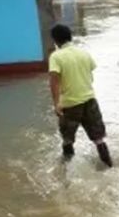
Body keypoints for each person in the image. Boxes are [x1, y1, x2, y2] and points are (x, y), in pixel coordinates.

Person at [48, 24, 112, 167]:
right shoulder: (84, 53)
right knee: (99, 138)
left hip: (70, 104)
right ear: (70, 36)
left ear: (55, 40)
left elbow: (54, 82)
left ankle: (66, 174)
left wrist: (56, 103)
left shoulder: (56, 56)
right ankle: (109, 166)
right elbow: (90, 75)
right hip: (90, 100)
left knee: (68, 139)